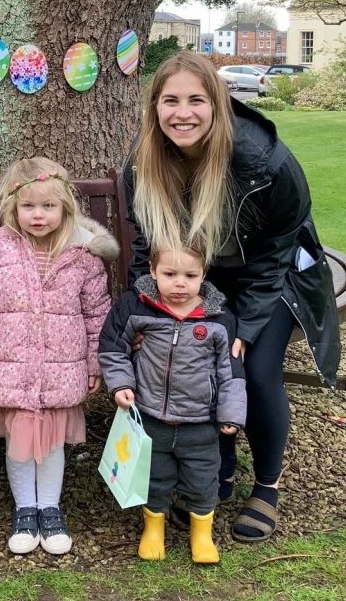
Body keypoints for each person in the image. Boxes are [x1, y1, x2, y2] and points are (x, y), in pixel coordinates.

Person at [122, 51, 340, 544]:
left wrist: (240, 325)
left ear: (218, 104)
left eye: (197, 100)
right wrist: (145, 311)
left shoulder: (265, 159)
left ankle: (267, 486)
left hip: (272, 275)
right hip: (197, 276)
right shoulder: (143, 164)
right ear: (155, 107)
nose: (183, 113)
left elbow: (277, 249)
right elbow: (144, 246)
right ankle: (214, 476)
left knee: (255, 371)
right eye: (171, 100)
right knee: (186, 360)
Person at [0, 157, 118, 556]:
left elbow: (98, 313)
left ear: (65, 208)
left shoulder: (82, 257)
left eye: (48, 206)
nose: (38, 215)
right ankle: (25, 509)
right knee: (19, 443)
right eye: (29, 206)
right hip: (12, 367)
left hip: (61, 369)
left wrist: (96, 361)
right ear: (13, 208)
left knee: (50, 445)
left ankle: (50, 507)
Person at [99, 241, 246, 563]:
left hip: (201, 423)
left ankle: (201, 534)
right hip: (150, 418)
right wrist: (120, 383)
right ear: (153, 271)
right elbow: (113, 348)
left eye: (190, 275)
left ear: (203, 275)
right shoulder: (137, 308)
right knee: (155, 477)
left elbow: (231, 371)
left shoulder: (218, 319)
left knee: (203, 479)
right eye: (169, 273)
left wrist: (232, 413)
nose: (180, 283)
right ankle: (154, 528)